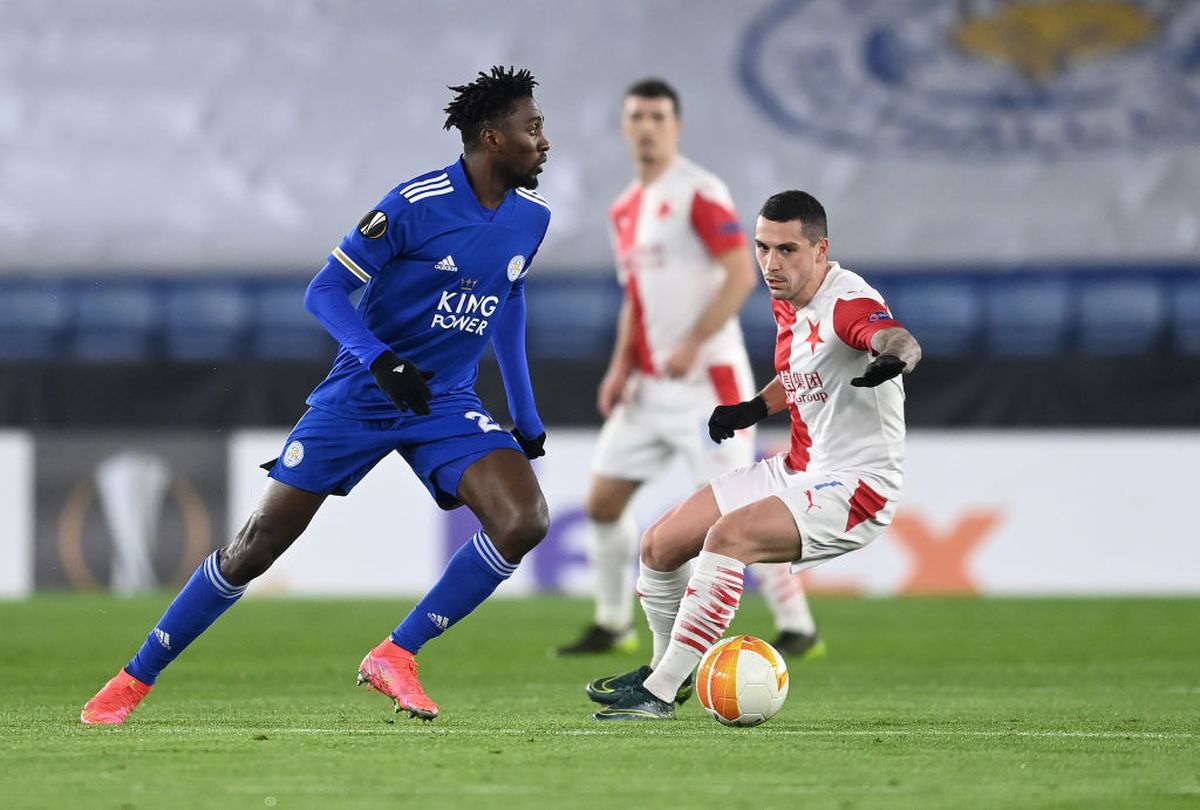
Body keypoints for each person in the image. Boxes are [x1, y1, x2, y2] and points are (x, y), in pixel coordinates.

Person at [81, 66, 553, 725]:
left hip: (442, 402)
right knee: (256, 545)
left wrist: (525, 414)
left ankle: (398, 652)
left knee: (523, 520)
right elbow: (324, 291)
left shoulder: (532, 220)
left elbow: (509, 301)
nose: (544, 140)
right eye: (531, 127)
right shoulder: (414, 205)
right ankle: (132, 679)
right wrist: (379, 359)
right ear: (490, 138)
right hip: (362, 395)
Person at [588, 190, 922, 719]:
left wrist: (893, 360)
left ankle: (658, 694)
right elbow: (803, 373)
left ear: (820, 248)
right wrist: (752, 408)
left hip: (858, 485)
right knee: (659, 545)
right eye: (763, 248)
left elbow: (897, 338)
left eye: (787, 249)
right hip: (797, 468)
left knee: (728, 539)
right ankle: (661, 671)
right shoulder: (787, 294)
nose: (770, 263)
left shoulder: (848, 301)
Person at [558, 79, 824, 659]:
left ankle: (799, 625)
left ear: (675, 125)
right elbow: (636, 297)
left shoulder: (699, 192)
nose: (647, 125)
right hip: (649, 389)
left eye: (658, 115)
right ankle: (612, 622)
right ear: (625, 127)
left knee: (737, 506)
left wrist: (692, 342)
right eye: (637, 116)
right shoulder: (625, 209)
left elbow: (740, 274)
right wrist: (618, 368)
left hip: (708, 384)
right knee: (602, 501)